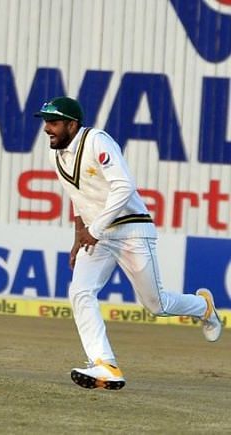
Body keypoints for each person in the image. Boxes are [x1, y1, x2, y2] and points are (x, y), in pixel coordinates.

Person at [34, 96, 223, 390]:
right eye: (46, 122)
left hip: (130, 229)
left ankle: (203, 307)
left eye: (54, 122)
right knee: (80, 291)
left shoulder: (97, 140)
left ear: (72, 124)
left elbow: (124, 186)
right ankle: (105, 365)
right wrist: (78, 236)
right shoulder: (56, 155)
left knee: (156, 304)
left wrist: (95, 228)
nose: (47, 128)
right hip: (98, 235)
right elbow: (78, 198)